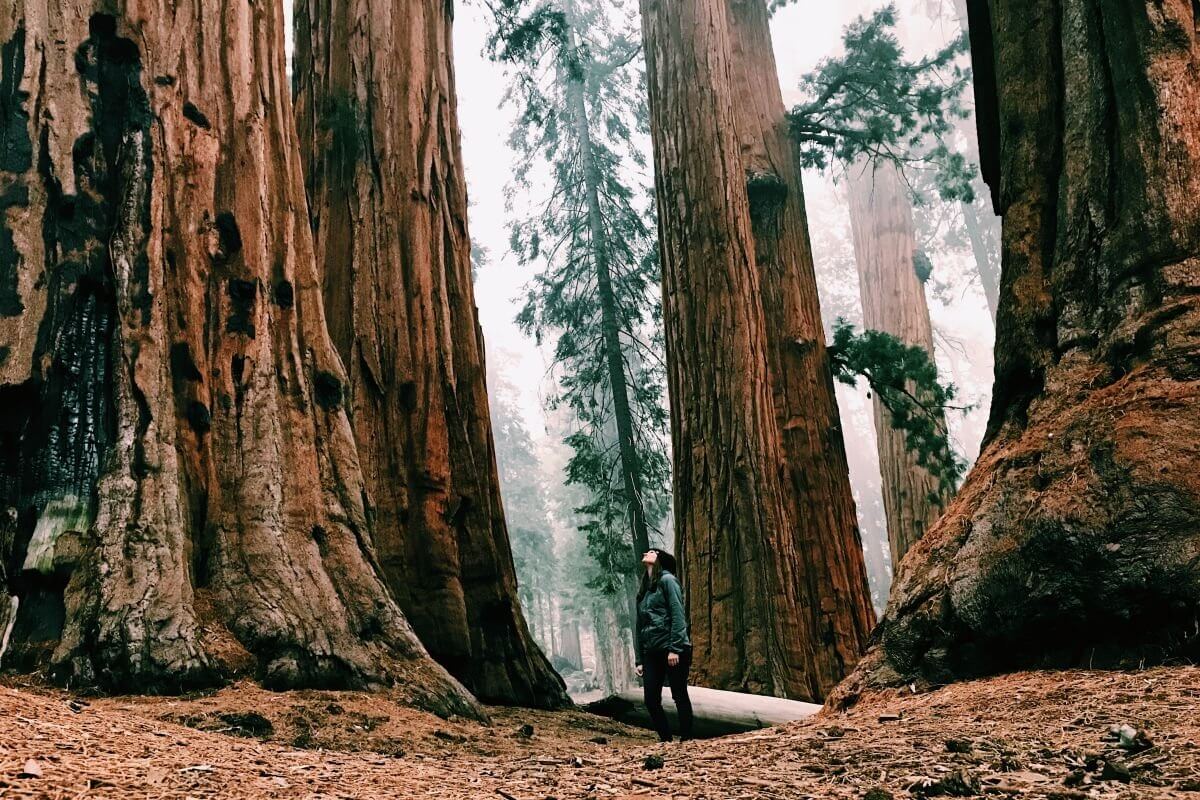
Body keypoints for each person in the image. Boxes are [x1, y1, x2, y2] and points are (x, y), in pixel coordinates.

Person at [635, 548, 693, 742]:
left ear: (659, 559)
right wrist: (639, 659)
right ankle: (666, 740)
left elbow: (678, 615)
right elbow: (639, 625)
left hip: (673, 649)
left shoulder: (668, 581)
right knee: (650, 699)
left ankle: (687, 739)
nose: (647, 553)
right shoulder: (644, 587)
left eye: (652, 552)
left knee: (679, 695)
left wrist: (675, 648)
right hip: (651, 652)